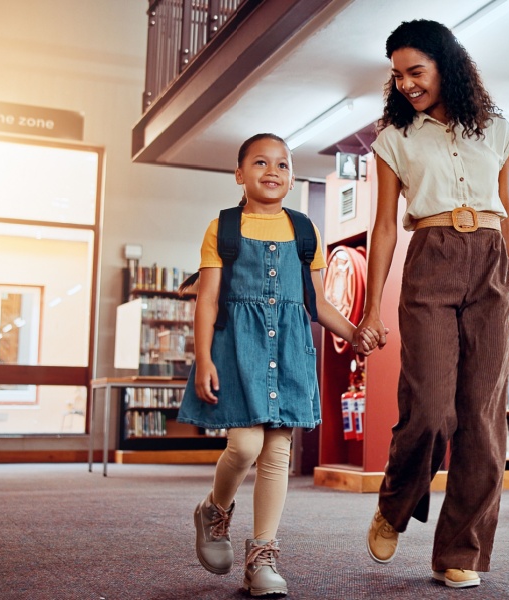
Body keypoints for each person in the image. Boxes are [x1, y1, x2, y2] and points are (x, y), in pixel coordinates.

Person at [355, 19, 509, 590]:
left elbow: (505, 213)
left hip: (491, 268)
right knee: (429, 408)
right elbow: (383, 229)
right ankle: (394, 503)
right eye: (397, 75)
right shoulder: (393, 139)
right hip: (430, 259)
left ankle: (461, 550)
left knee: (481, 419)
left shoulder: (497, 130)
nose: (404, 83)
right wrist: (370, 309)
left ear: (445, 65)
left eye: (415, 71)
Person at [178, 133, 375, 597]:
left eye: (283, 165)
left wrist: (355, 334)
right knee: (245, 447)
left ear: (290, 177)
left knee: (277, 453)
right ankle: (214, 510)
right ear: (239, 174)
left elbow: (318, 303)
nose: (272, 171)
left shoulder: (306, 231)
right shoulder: (222, 228)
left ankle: (262, 556)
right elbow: (206, 301)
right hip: (237, 351)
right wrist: (203, 357)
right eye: (260, 163)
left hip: (288, 351)